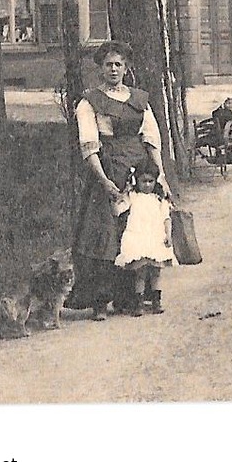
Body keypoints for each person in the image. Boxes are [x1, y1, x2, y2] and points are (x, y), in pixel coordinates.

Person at [69, 41, 171, 318]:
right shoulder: (89, 102)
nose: (113, 69)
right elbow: (89, 145)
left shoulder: (139, 100)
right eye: (108, 64)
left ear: (127, 68)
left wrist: (159, 175)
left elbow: (151, 139)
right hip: (109, 171)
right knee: (105, 235)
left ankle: (133, 296)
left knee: (138, 231)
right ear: (100, 68)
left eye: (119, 64)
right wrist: (104, 181)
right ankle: (100, 300)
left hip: (139, 173)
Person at [113, 165, 173, 316]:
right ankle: (138, 303)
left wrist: (168, 235)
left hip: (155, 237)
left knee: (156, 272)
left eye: (150, 181)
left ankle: (156, 301)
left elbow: (166, 218)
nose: (147, 185)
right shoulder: (133, 196)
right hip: (138, 237)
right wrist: (123, 193)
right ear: (137, 181)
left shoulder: (159, 199)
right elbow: (118, 210)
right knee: (140, 272)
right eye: (143, 181)